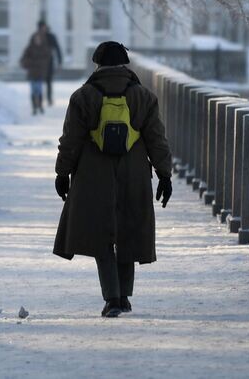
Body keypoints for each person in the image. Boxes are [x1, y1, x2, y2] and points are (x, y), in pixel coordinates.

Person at [52, 41, 173, 317]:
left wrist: (62, 172)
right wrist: (164, 174)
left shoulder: (83, 96)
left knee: (102, 236)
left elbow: (70, 140)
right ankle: (125, 296)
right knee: (128, 232)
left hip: (93, 174)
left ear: (97, 65)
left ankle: (113, 298)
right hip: (134, 173)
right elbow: (157, 139)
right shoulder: (144, 97)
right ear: (125, 65)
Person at [20, 19, 62, 113]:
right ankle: (36, 105)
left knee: (48, 81)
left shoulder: (50, 37)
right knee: (36, 87)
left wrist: (59, 60)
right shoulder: (34, 37)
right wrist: (26, 63)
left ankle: (48, 99)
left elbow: (56, 48)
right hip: (34, 67)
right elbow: (27, 53)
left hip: (47, 63)